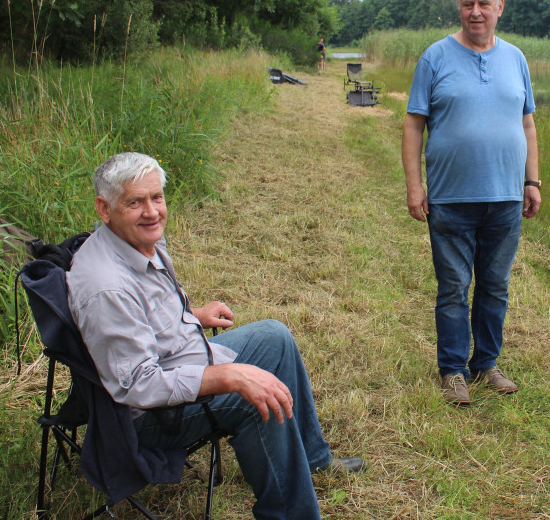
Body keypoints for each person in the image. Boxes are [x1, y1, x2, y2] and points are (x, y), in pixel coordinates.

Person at [66, 152, 361, 520]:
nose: (152, 212)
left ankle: (315, 460)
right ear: (104, 208)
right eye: (135, 202)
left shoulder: (135, 242)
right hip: (148, 419)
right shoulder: (106, 285)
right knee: (254, 396)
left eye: (156, 197)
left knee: (274, 336)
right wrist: (228, 376)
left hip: (179, 360)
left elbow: (140, 321)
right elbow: (138, 385)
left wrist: (190, 316)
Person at [401, 0, 541, 406]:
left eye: (484, 4)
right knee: (454, 287)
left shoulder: (516, 58)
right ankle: (452, 370)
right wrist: (414, 187)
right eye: (467, 4)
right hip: (450, 198)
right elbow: (413, 125)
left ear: (500, 7)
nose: (475, 12)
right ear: (459, 8)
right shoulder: (435, 57)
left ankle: (486, 364)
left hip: (505, 198)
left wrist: (532, 180)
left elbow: (527, 122)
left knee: (495, 285)